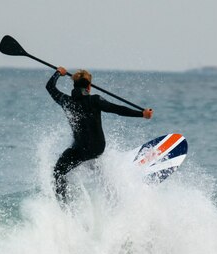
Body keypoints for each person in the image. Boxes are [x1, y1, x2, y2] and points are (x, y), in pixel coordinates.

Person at [46, 67, 153, 200]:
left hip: (80, 150)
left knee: (58, 172)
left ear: (74, 85)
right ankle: (112, 194)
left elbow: (50, 87)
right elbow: (117, 109)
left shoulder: (66, 101)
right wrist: (142, 114)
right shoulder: (95, 100)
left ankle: (65, 206)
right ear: (89, 87)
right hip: (97, 148)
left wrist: (58, 73)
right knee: (93, 160)